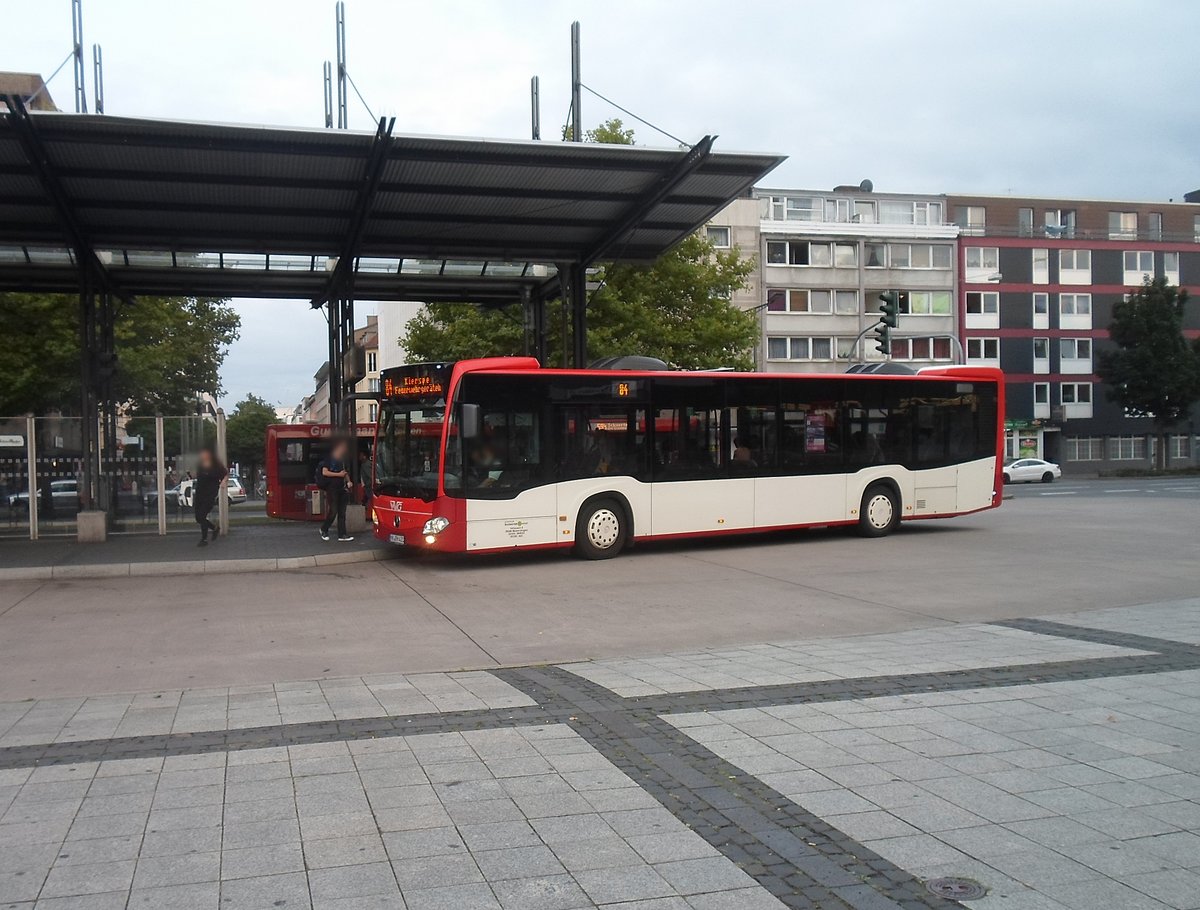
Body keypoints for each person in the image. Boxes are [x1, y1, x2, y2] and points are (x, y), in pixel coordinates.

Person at [317, 438, 354, 542]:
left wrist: (348, 481)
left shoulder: (342, 459)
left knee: (342, 512)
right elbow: (325, 472)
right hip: (332, 488)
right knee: (333, 511)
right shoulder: (329, 458)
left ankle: (342, 535)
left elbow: (344, 472)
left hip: (342, 488)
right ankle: (324, 529)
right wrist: (339, 475)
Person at [193, 447, 227, 547]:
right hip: (200, 493)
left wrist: (224, 482)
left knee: (202, 516)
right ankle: (214, 528)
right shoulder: (200, 465)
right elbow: (197, 476)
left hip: (209, 494)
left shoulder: (216, 466)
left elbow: (225, 474)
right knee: (198, 518)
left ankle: (204, 539)